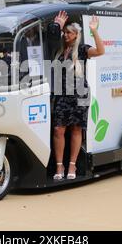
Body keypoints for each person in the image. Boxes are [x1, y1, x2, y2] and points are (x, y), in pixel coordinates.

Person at [51, 11, 105, 180]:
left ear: (76, 35)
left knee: (76, 128)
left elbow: (101, 51)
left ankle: (72, 166)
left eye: (69, 32)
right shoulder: (59, 50)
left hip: (79, 93)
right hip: (62, 94)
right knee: (59, 129)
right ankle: (59, 166)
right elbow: (50, 38)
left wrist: (94, 30)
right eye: (64, 32)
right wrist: (58, 26)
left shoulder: (82, 49)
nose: (66, 35)